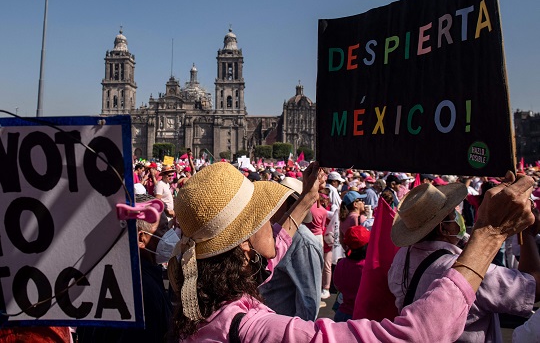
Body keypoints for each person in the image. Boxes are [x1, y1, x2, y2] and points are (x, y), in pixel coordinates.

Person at [169, 161, 536, 343]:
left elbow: (271, 253)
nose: (273, 219)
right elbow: (413, 336)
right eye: (263, 216)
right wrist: (488, 235)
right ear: (245, 245)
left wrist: (304, 203)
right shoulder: (256, 330)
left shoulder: (207, 303)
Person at [388, 178, 540, 343]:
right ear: (443, 227)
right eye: (454, 214)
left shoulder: (400, 258)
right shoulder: (468, 271)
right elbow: (532, 289)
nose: (459, 218)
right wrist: (528, 235)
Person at [78, 194, 173, 343]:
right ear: (141, 238)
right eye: (163, 229)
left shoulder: (107, 273)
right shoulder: (142, 291)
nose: (169, 234)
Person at [259, 177, 323, 321]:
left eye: (278, 199)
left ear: (289, 205)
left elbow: (308, 302)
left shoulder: (304, 243)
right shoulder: (270, 230)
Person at [333, 225, 369, 322]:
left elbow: (337, 286)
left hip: (342, 313)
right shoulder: (369, 268)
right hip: (361, 317)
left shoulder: (341, 264)